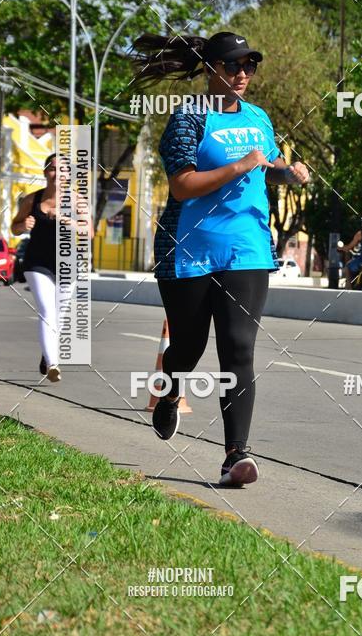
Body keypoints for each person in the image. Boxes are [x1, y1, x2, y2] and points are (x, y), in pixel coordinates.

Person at [131, 31, 310, 487]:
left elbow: (269, 167)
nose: (242, 73)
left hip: (247, 248)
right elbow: (181, 186)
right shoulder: (188, 118)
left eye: (249, 65)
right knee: (187, 347)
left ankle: (236, 455)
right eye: (233, 65)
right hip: (188, 249)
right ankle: (170, 392)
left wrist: (290, 173)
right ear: (211, 69)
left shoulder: (258, 117)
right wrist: (238, 166)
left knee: (238, 348)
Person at [11, 153, 62, 381]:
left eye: (62, 169)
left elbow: (88, 231)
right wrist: (23, 225)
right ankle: (52, 364)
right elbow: (14, 228)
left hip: (66, 265)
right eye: (52, 168)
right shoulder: (32, 200)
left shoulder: (76, 201)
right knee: (47, 310)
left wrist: (69, 221)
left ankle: (46, 351)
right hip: (36, 263)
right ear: (45, 172)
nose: (57, 173)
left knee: (59, 317)